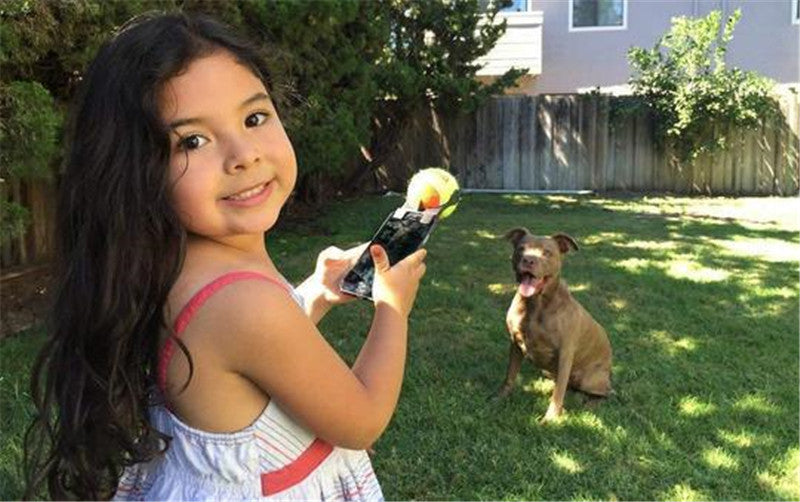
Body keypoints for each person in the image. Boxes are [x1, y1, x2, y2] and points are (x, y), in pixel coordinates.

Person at [24, 11, 426, 501]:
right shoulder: (244, 305)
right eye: (192, 141)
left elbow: (245, 358)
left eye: (254, 118)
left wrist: (315, 293)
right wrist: (392, 308)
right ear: (137, 170)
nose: (243, 155)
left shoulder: (177, 264)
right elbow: (362, 421)